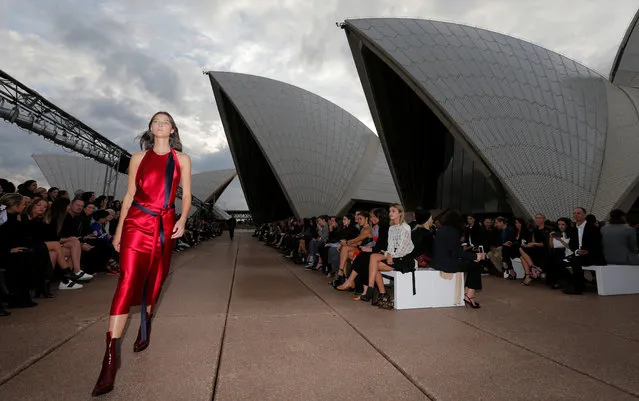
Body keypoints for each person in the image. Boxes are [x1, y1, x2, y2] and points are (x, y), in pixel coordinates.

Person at [92, 112, 192, 396]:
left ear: (172, 129)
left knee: (156, 280)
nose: (160, 126)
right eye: (155, 122)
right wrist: (119, 231)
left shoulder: (181, 160)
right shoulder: (138, 158)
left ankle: (144, 325)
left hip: (165, 224)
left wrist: (183, 220)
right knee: (127, 281)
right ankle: (110, 357)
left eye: (165, 122)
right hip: (138, 221)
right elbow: (128, 195)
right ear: (151, 129)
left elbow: (185, 194)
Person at [431, 209, 486, 308]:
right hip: (448, 264)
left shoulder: (442, 229)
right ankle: (470, 295)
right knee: (477, 264)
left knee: (472, 263)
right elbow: (457, 252)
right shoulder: (453, 231)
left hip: (438, 262)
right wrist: (476, 256)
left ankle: (467, 292)